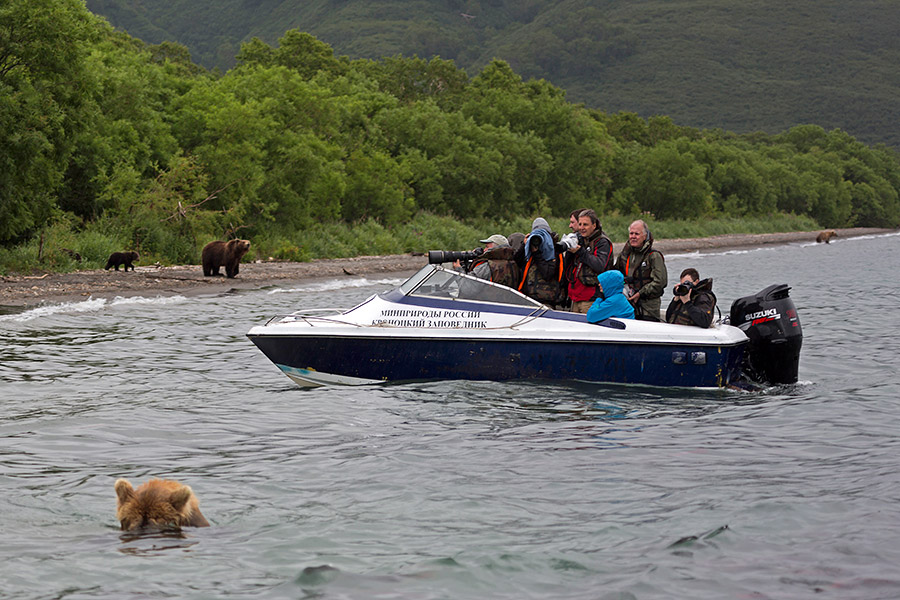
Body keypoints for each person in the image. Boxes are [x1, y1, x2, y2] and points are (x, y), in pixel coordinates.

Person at [615, 219, 667, 321]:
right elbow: (615, 275)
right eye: (631, 233)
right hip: (628, 305)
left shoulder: (654, 256)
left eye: (637, 234)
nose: (633, 236)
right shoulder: (624, 255)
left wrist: (640, 293)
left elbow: (660, 282)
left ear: (645, 236)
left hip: (648, 308)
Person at [565, 209, 614, 313]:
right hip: (576, 297)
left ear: (594, 225)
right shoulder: (581, 239)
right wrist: (569, 249)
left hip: (591, 298)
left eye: (585, 225)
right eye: (580, 224)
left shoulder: (602, 242)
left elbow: (600, 265)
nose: (581, 228)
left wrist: (580, 251)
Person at [515, 218, 566, 308]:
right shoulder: (529, 249)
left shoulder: (555, 251)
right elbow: (516, 263)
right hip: (527, 298)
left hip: (546, 300)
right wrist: (524, 245)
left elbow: (547, 274)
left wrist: (536, 254)